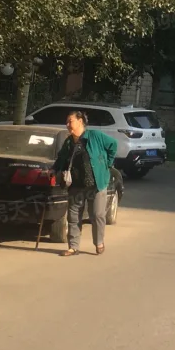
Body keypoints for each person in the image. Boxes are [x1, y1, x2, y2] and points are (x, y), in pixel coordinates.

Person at [52, 109, 118, 256]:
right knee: (74, 215)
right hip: (76, 184)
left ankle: (99, 242)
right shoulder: (69, 141)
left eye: (70, 121)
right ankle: (73, 247)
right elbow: (61, 158)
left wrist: (107, 163)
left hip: (96, 183)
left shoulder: (95, 136)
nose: (67, 124)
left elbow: (113, 144)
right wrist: (54, 170)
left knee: (97, 215)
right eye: (67, 122)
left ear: (80, 121)